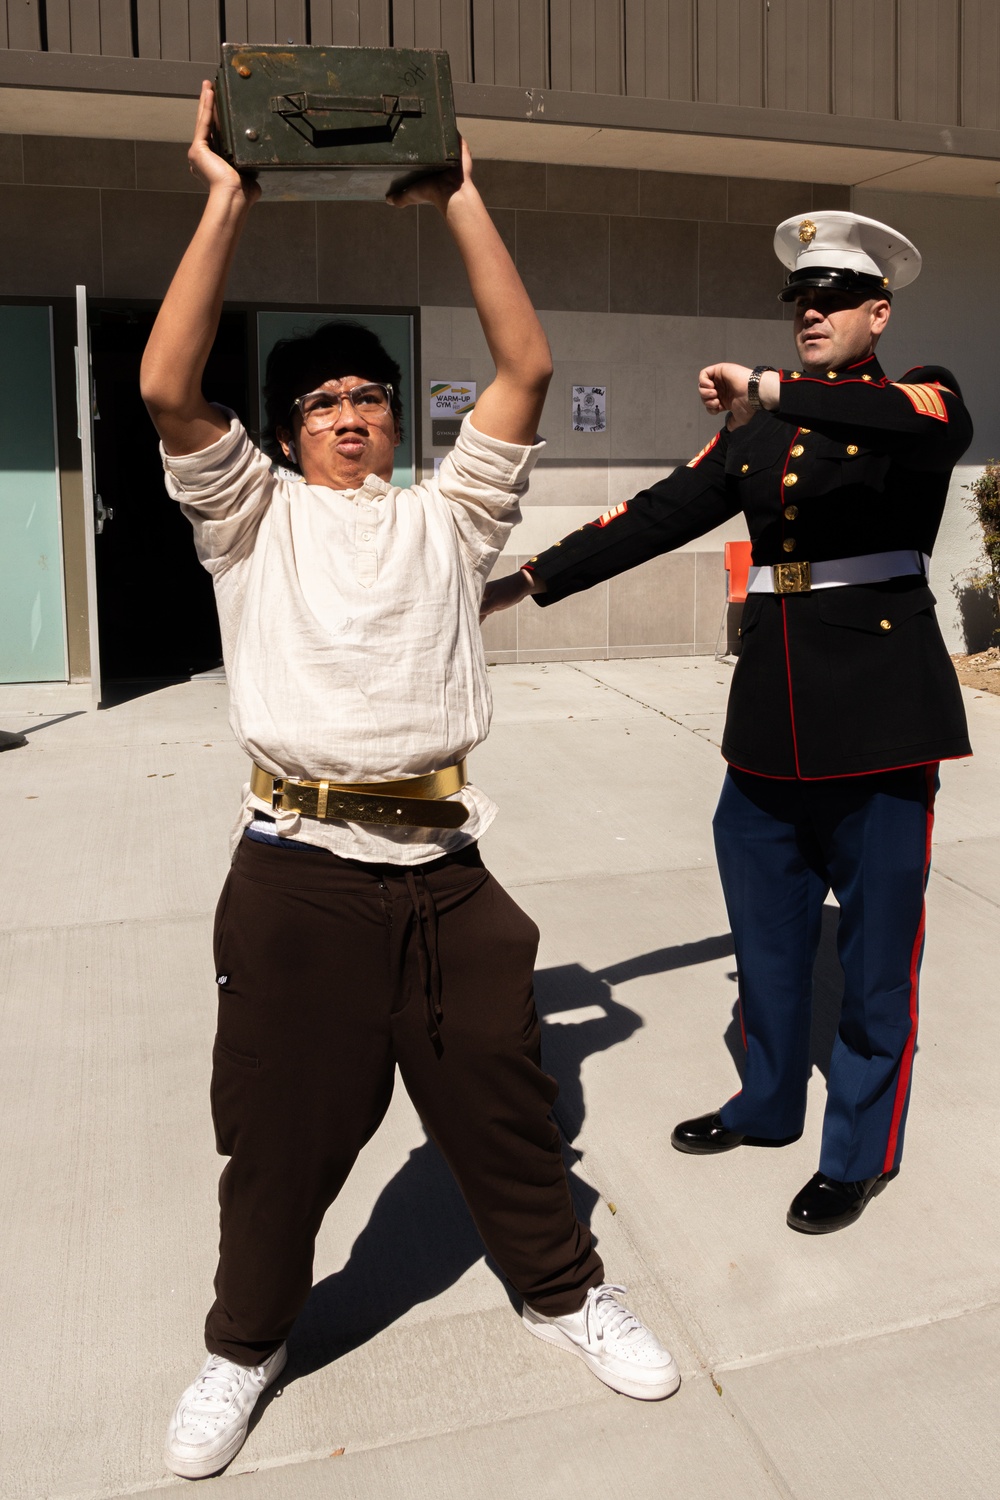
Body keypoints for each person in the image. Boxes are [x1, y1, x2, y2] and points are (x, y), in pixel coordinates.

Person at [141, 82, 679, 1482]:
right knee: (278, 1143)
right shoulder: (250, 523)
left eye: (368, 394)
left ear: (396, 416)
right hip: (296, 879)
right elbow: (164, 389)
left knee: (504, 1113)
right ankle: (243, 1346)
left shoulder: (452, 520)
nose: (349, 415)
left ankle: (564, 1296)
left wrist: (456, 198)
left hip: (447, 877)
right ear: (286, 430)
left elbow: (526, 369)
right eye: (319, 403)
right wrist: (227, 199)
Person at [483, 210, 972, 1236]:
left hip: (882, 720)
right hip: (770, 721)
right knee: (768, 942)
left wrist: (759, 388)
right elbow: (661, 511)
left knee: (875, 964)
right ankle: (764, 1107)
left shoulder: (918, 395)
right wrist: (526, 582)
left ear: (876, 313)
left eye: (833, 300)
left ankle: (857, 1151)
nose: (810, 314)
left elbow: (913, 427)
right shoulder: (765, 427)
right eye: (800, 301)